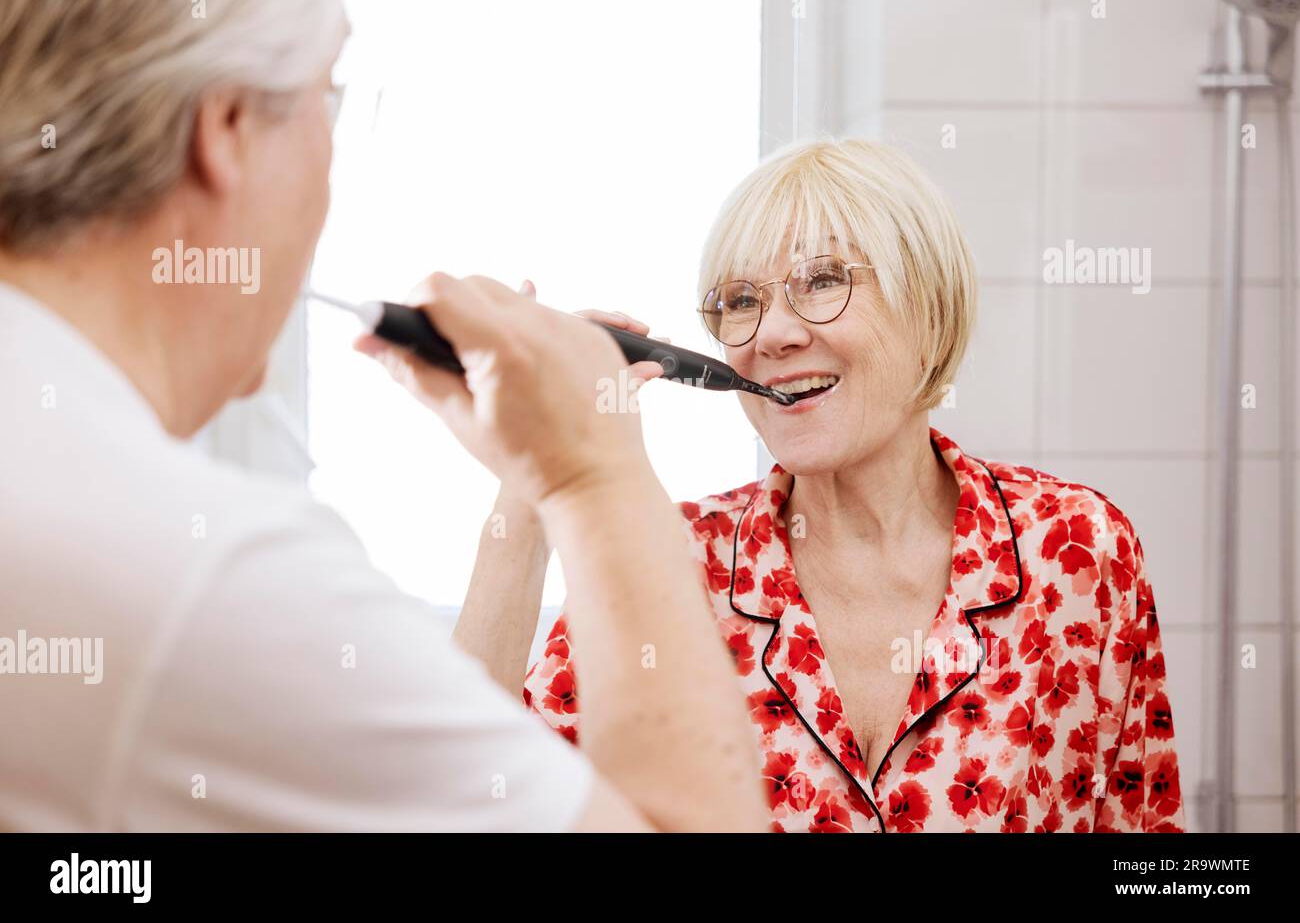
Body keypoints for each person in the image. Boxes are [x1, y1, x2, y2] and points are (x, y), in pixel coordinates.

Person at [0, 0, 766, 833]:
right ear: (227, 125)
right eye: (326, 100)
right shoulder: (207, 578)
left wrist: (541, 479)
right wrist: (595, 476)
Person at [458, 138, 1187, 833]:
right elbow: (472, 799)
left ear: (928, 312)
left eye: (823, 281)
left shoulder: (1077, 551)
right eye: (740, 299)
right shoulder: (667, 563)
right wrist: (531, 473)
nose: (770, 333)